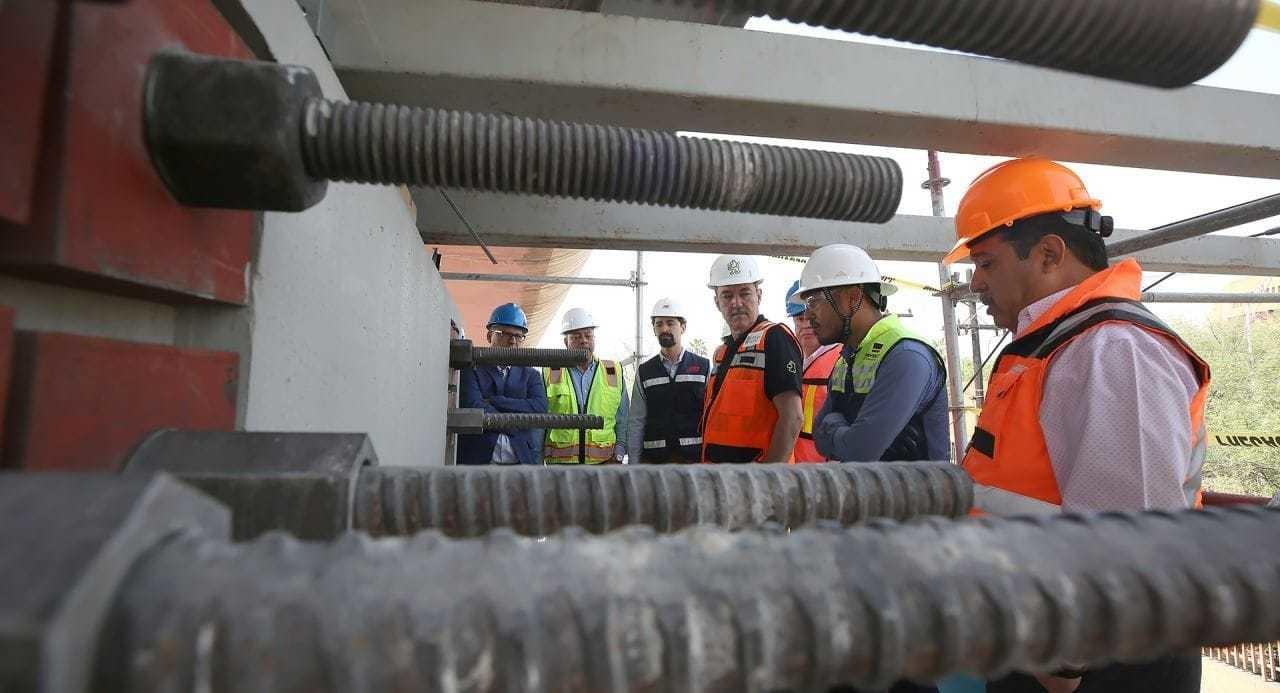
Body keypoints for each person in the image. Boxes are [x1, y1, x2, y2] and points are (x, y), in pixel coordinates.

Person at [946, 158, 1211, 693]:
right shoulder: (1063, 346)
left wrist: (1063, 665)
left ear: (1049, 254)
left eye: (987, 263)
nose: (975, 282)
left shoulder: (1114, 350)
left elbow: (1126, 540)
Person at [798, 244, 950, 462]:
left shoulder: (906, 357)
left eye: (813, 301)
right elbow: (819, 437)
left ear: (852, 298)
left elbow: (858, 451)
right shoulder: (847, 357)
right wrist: (845, 436)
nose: (807, 314)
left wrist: (836, 427)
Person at [701, 255, 803, 464]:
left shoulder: (774, 338)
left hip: (758, 486)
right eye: (727, 296)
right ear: (716, 302)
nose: (736, 303)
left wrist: (766, 480)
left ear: (759, 295)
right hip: (724, 482)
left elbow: (793, 418)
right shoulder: (722, 352)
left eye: (745, 293)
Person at [458, 303, 548, 465]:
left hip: (519, 464)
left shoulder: (532, 375)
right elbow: (473, 404)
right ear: (489, 336)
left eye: (518, 336)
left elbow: (539, 407)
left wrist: (495, 400)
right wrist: (516, 422)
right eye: (504, 333)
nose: (512, 341)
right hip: (477, 462)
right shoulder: (471, 369)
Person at [627, 298, 711, 463]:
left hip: (694, 462)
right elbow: (637, 421)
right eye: (659, 324)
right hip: (655, 463)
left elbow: (712, 417)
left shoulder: (703, 367)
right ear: (654, 330)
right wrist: (634, 466)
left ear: (683, 327)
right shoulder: (644, 372)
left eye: (670, 323)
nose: (664, 328)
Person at [543, 307, 629, 464]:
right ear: (565, 342)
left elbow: (623, 419)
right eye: (576, 337)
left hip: (605, 466)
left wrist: (619, 454)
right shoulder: (549, 372)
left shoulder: (613, 371)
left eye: (588, 335)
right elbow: (539, 423)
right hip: (561, 470)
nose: (584, 340)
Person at [785, 280, 843, 462]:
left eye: (811, 318)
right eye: (800, 318)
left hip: (826, 475)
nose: (806, 324)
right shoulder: (787, 360)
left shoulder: (842, 359)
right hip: (791, 473)